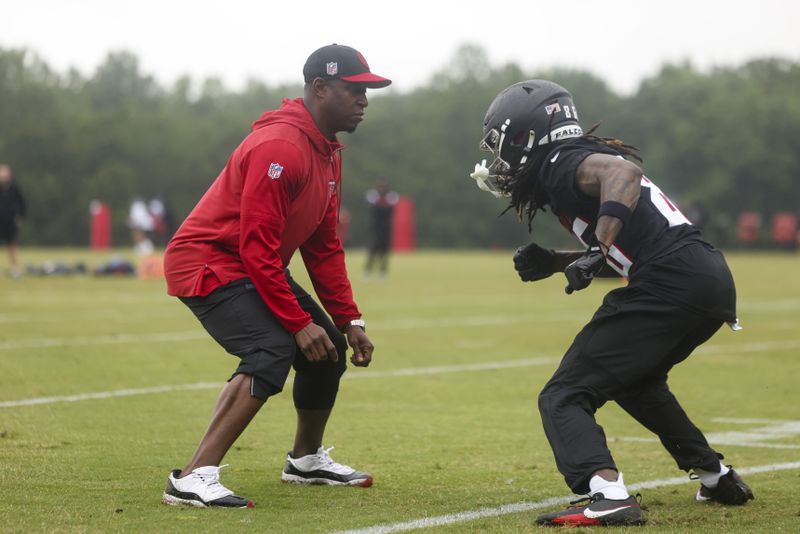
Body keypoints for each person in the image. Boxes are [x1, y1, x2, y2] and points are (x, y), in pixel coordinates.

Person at [469, 80, 754, 527]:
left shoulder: (564, 161)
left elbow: (623, 174)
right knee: (636, 382)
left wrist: (596, 248)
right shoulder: (569, 164)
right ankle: (716, 475)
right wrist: (560, 261)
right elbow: (632, 244)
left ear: (529, 137)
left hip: (670, 280)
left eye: (506, 145)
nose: (502, 160)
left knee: (564, 394)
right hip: (704, 278)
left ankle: (607, 493)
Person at [161, 44, 390, 508]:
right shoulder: (281, 146)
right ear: (319, 88)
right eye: (354, 90)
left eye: (367, 92)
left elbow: (323, 247)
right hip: (208, 261)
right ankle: (193, 476)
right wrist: (294, 321)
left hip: (247, 263)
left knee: (325, 350)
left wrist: (349, 320)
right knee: (272, 348)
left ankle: (305, 461)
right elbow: (257, 246)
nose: (364, 101)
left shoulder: (328, 152)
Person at [364, 181, 398, 278]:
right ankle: (368, 270)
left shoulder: (390, 199)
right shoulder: (374, 199)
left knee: (385, 251)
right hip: (375, 228)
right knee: (372, 250)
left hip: (386, 229)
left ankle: (383, 271)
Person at [0, 164, 26, 278]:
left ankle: (15, 270)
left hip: (10, 221)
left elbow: (22, 203)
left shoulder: (14, 189)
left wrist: (20, 217)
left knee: (12, 245)